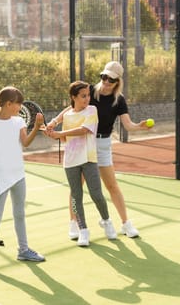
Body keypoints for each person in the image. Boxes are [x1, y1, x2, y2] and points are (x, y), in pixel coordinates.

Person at [47, 61, 152, 239]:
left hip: (103, 145)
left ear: (117, 81)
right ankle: (74, 223)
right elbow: (70, 108)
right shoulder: (90, 93)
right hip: (82, 142)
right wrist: (54, 122)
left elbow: (128, 124)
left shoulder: (119, 100)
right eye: (104, 77)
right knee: (77, 187)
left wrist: (139, 127)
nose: (106, 81)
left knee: (111, 185)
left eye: (110, 79)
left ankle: (126, 224)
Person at [0, 86, 46, 276]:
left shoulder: (19, 121)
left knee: (19, 215)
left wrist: (37, 126)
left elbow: (26, 143)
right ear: (8, 104)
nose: (20, 108)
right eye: (18, 104)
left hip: (19, 175)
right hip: (0, 177)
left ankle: (24, 250)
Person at [44, 80, 117, 247]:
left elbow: (84, 130)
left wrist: (58, 131)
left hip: (89, 159)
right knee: (76, 197)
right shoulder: (68, 115)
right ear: (73, 97)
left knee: (96, 194)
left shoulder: (92, 110)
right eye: (83, 96)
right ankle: (83, 229)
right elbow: (65, 135)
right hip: (71, 161)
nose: (87, 99)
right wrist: (53, 128)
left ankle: (106, 221)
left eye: (88, 95)